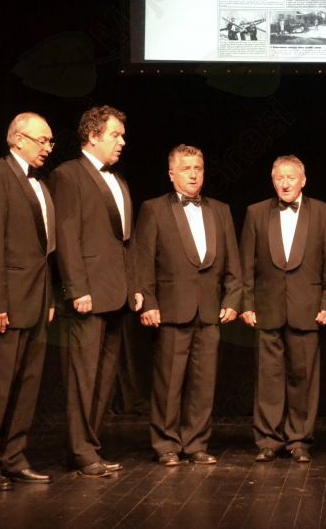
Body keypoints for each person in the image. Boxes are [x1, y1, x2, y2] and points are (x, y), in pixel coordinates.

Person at [0, 112, 57, 490]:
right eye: (42, 140)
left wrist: (49, 297)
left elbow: (42, 252)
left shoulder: (40, 184)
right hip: (5, 303)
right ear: (17, 139)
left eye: (50, 141)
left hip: (36, 301)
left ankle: (13, 457)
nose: (48, 148)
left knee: (25, 387)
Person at [133, 144, 242, 466]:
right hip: (170, 309)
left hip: (209, 310)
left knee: (203, 382)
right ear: (171, 174)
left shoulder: (220, 210)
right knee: (168, 382)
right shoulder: (154, 209)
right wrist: (148, 302)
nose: (193, 174)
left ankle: (196, 443)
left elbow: (233, 262)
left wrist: (232, 299)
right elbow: (142, 260)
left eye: (198, 168)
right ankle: (166, 444)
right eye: (186, 169)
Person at [239, 156, 326, 463]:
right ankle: (268, 440)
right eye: (279, 178)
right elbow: (246, 264)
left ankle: (299, 440)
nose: (285, 183)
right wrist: (246, 303)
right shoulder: (256, 212)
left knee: (303, 377)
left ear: (303, 180)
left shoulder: (324, 212)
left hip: (307, 308)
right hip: (267, 307)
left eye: (291, 177)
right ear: (273, 181)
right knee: (268, 377)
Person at [50, 105, 133, 478]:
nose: (122, 141)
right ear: (93, 135)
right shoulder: (68, 175)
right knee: (82, 378)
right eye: (115, 134)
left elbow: (124, 242)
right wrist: (76, 288)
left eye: (122, 135)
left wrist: (134, 286)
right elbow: (66, 236)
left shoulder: (120, 180)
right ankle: (80, 451)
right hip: (87, 294)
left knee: (103, 377)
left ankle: (88, 448)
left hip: (116, 293)